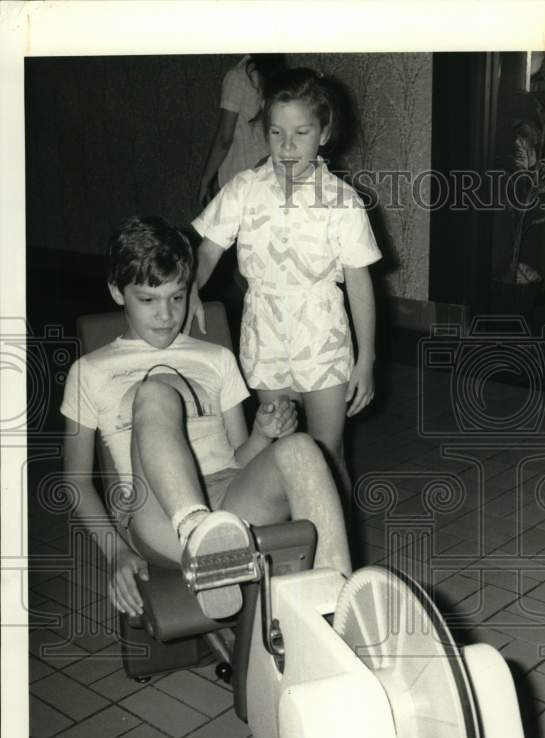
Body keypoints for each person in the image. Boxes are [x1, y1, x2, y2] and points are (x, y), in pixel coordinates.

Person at [61, 216, 351, 622]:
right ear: (116, 291)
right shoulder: (89, 371)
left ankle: (338, 605)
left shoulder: (214, 358)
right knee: (156, 392)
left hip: (230, 500)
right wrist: (117, 552)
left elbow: (238, 458)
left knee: (302, 447)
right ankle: (199, 535)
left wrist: (261, 434)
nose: (165, 315)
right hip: (159, 517)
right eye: (148, 300)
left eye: (177, 298)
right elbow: (75, 481)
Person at [190, 67, 382, 501]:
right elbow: (207, 251)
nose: (288, 146)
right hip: (266, 334)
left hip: (323, 337)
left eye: (301, 133)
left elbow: (359, 282)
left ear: (324, 133)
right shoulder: (244, 188)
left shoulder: (341, 200)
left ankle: (336, 555)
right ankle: (291, 552)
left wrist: (366, 358)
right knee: (278, 450)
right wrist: (192, 291)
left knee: (327, 455)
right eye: (277, 133)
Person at [196, 54, 288, 208]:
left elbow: (224, 138)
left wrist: (205, 180)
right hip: (270, 171)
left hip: (240, 174)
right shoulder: (278, 73)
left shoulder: (236, 78)